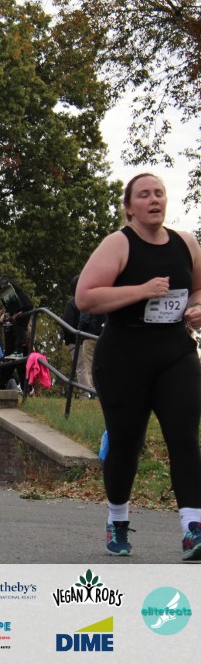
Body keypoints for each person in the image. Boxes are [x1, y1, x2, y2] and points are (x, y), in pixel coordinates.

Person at [75, 173, 201, 561]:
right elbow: (85, 297)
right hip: (123, 358)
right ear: (130, 207)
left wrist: (198, 308)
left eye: (159, 193)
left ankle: (193, 529)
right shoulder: (118, 244)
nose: (153, 200)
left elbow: (198, 289)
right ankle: (117, 520)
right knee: (126, 443)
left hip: (175, 354)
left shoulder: (186, 243)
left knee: (184, 437)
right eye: (144, 195)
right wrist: (142, 291)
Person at [0, 267, 34, 388]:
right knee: (13, 367)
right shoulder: (5, 283)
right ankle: (20, 389)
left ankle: (19, 352)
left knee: (20, 328)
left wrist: (8, 314)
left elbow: (13, 303)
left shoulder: (3, 285)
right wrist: (7, 313)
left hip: (24, 311)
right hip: (21, 313)